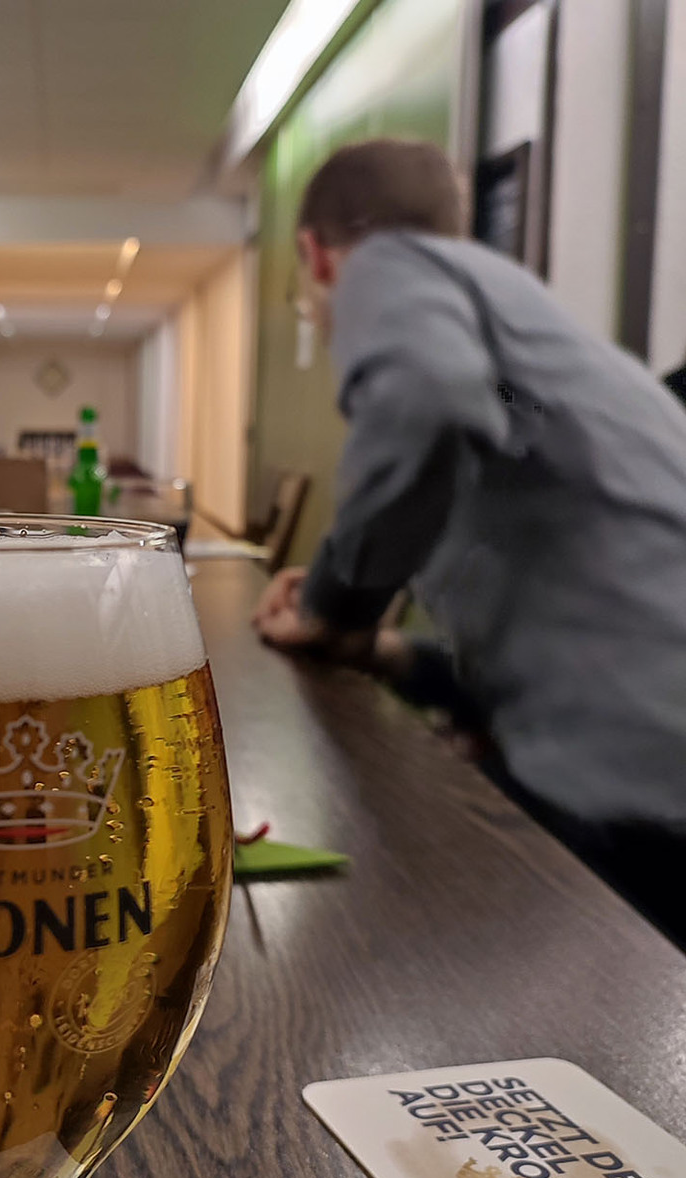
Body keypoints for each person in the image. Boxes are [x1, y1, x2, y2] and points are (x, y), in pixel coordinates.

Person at [252, 138, 686, 944]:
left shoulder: (383, 266)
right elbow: (575, 636)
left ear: (315, 255)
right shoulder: (524, 317)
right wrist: (390, 654)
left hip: (638, 794)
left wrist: (332, 608)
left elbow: (428, 401)